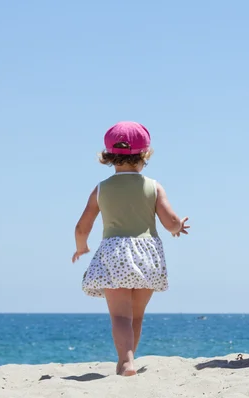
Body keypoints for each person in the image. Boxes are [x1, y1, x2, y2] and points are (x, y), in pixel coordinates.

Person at [72, 121, 190, 376]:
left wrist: (81, 247)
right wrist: (178, 227)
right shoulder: (153, 186)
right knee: (136, 315)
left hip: (115, 255)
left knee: (120, 317)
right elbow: (169, 222)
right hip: (147, 254)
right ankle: (128, 360)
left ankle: (126, 362)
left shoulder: (102, 188)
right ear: (145, 154)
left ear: (108, 156)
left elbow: (83, 226)